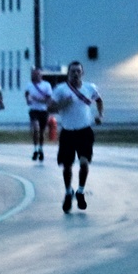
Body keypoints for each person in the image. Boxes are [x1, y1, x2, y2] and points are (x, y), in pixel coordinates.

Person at [48, 61, 103, 213]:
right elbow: (50, 107)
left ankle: (80, 191)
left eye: (78, 71)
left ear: (82, 73)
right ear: (68, 73)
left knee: (84, 163)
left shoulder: (89, 88)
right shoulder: (61, 90)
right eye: (73, 71)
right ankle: (67, 192)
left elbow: (99, 100)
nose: (75, 74)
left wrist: (100, 115)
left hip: (85, 131)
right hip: (68, 132)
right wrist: (62, 104)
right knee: (67, 166)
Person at [24, 67, 53, 161]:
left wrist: (37, 99)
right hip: (34, 110)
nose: (34, 76)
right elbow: (26, 93)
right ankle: (35, 149)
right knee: (36, 129)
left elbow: (48, 100)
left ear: (41, 75)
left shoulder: (46, 85)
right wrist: (28, 99)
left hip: (43, 111)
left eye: (37, 74)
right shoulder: (29, 85)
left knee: (42, 132)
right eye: (33, 74)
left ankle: (41, 149)